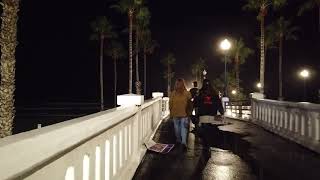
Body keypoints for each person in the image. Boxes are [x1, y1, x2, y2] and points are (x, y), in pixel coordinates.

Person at [169, 78, 192, 151]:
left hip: (178, 113)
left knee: (178, 128)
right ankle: (183, 142)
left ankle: (180, 141)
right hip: (183, 113)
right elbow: (190, 103)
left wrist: (171, 113)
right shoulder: (187, 93)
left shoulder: (173, 93)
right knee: (183, 128)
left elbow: (170, 104)